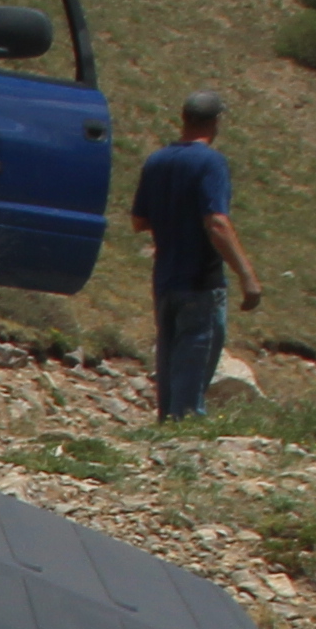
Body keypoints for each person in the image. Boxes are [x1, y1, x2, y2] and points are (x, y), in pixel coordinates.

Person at [130, 91, 261, 423]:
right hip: (201, 281)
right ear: (215, 122)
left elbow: (139, 221)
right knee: (194, 362)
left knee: (169, 358)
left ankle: (166, 427)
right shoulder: (210, 162)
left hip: (165, 279)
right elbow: (217, 222)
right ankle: (184, 432)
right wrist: (247, 275)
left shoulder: (157, 161)